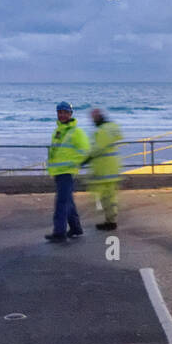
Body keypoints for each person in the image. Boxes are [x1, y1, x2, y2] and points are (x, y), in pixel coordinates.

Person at [45, 101, 89, 243]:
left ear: (70, 114)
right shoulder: (58, 131)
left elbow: (85, 151)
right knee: (68, 201)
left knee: (61, 202)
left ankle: (59, 233)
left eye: (65, 112)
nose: (62, 115)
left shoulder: (76, 132)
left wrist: (73, 163)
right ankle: (76, 228)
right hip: (58, 171)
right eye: (60, 112)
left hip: (67, 172)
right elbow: (55, 151)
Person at [85, 107, 123, 230]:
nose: (92, 120)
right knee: (110, 196)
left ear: (97, 118)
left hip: (104, 168)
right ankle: (111, 220)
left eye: (93, 118)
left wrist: (85, 159)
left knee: (105, 197)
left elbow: (97, 149)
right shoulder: (112, 127)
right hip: (112, 167)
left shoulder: (101, 131)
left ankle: (110, 222)